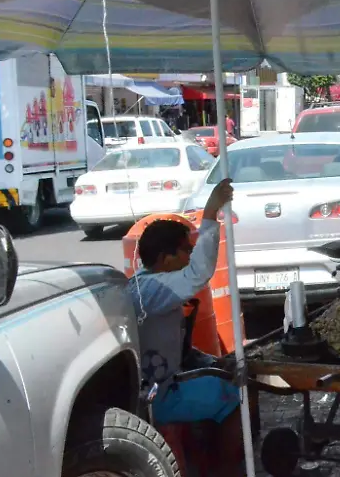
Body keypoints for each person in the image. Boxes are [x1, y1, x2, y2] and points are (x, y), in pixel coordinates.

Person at [129, 179, 247, 476]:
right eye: (186, 249)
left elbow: (180, 349)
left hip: (167, 382)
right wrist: (210, 213)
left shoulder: (155, 286)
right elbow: (199, 272)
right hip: (156, 398)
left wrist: (214, 363)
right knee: (239, 395)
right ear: (165, 258)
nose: (191, 255)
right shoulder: (151, 289)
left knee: (225, 378)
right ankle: (226, 471)